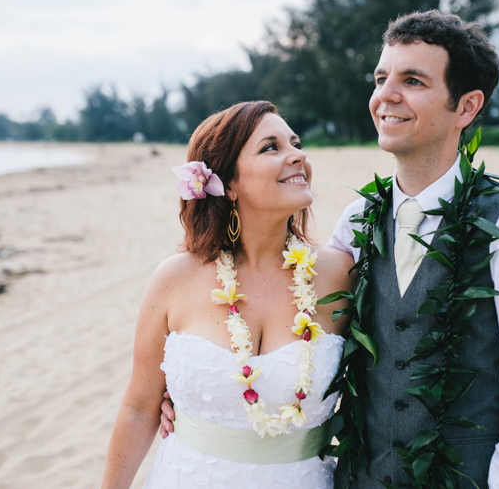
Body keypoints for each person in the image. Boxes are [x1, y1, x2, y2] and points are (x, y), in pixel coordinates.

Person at [161, 10, 499, 489]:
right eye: (381, 77)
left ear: (467, 107)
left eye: (412, 80)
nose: (386, 96)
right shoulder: (357, 221)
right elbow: (303, 323)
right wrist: (196, 394)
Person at [99, 100, 354, 489]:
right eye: (272, 147)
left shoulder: (341, 274)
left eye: (295, 143)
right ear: (229, 184)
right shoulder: (175, 278)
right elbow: (138, 407)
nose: (297, 155)